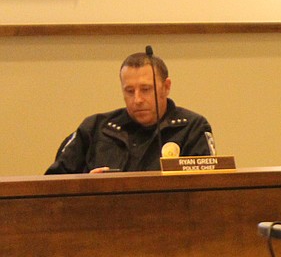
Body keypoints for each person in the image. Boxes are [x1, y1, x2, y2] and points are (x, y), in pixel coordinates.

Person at [46, 51, 215, 174]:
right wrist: (86, 186)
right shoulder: (95, 128)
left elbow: (208, 186)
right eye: (129, 91)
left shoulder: (192, 128)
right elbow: (52, 185)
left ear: (166, 87)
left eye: (146, 89)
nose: (138, 99)